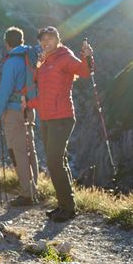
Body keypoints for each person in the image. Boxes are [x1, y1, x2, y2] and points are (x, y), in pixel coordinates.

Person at [26, 26, 93, 222]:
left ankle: (69, 208)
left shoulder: (64, 56)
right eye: (42, 39)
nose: (46, 42)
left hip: (62, 117)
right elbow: (44, 94)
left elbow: (84, 71)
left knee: (54, 162)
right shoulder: (45, 60)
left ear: (57, 39)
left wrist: (87, 56)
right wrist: (28, 104)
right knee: (57, 161)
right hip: (47, 118)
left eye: (50, 38)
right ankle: (64, 204)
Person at [0, 27, 40, 206]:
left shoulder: (11, 62)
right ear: (22, 40)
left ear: (7, 43)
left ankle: (27, 194)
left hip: (14, 110)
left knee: (17, 151)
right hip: (30, 108)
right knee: (30, 149)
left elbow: (4, 92)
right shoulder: (32, 57)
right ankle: (35, 189)